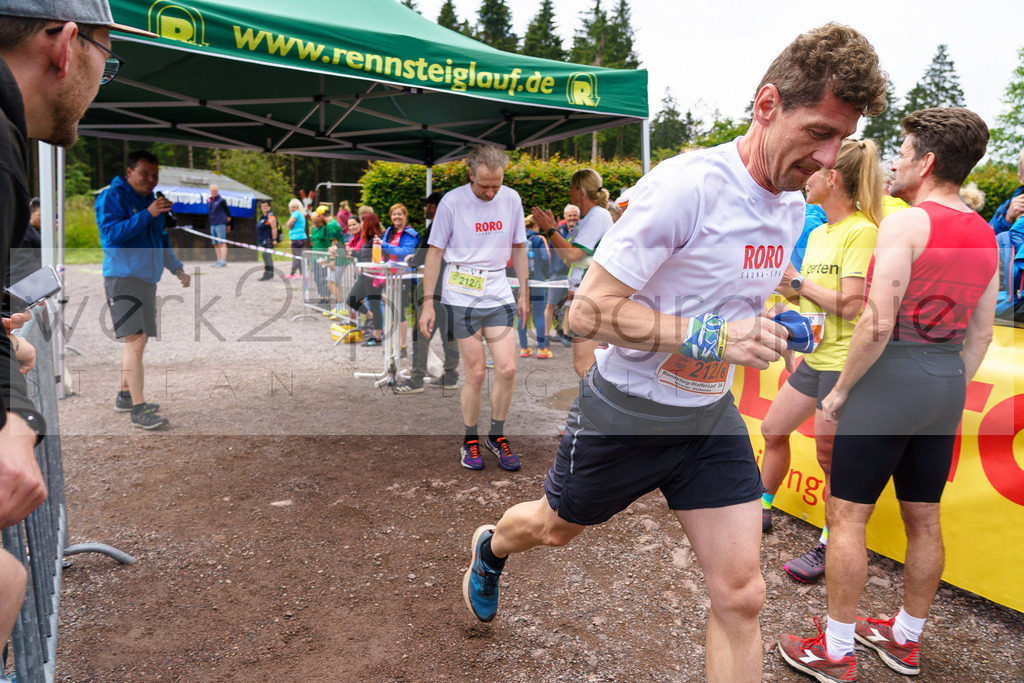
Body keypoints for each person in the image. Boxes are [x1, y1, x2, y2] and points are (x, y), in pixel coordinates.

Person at [461, 23, 886, 682]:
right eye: (818, 133)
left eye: (841, 139)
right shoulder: (687, 186)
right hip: (626, 411)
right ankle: (490, 547)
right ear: (767, 105)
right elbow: (587, 311)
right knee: (553, 527)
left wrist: (776, 325)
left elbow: (735, 288)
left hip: (708, 420)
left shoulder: (788, 205)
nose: (830, 158)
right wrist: (715, 336)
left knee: (742, 595)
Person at [778, 108, 997, 682]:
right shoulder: (983, 231)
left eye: (902, 151)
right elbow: (980, 334)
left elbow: (876, 322)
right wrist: (945, 383)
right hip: (946, 379)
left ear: (926, 162)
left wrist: (841, 392)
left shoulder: (907, 223)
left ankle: (837, 650)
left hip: (890, 376)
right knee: (924, 518)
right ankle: (904, 640)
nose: (894, 161)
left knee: (846, 515)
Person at [0, 0, 146, 645]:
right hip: (120, 274)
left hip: (143, 276)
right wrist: (14, 414)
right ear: (64, 44)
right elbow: (115, 232)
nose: (95, 86)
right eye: (104, 61)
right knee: (6, 582)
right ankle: (130, 398)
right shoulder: (7, 152)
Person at [759, 139, 884, 585]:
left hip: (844, 364)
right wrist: (786, 315)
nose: (804, 180)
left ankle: (829, 544)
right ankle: (763, 508)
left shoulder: (862, 230)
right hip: (815, 357)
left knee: (832, 461)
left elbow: (851, 305)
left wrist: (794, 280)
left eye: (812, 172)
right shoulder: (819, 232)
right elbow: (811, 299)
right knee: (773, 429)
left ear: (833, 179)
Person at [419, 145, 530, 472]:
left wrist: (523, 291)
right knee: (477, 373)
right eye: (484, 185)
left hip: (497, 291)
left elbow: (519, 246)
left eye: (496, 184)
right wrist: (428, 302)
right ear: (470, 174)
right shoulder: (452, 202)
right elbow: (434, 253)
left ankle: (496, 435)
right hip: (461, 294)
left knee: (508, 369)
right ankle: (470, 439)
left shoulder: (511, 199)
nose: (490, 191)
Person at [96, 150, 190, 430]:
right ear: (129, 172)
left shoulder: (152, 201)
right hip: (122, 278)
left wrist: (176, 268)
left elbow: (161, 240)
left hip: (147, 280)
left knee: (140, 340)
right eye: (144, 173)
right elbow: (111, 235)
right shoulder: (112, 197)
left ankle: (125, 397)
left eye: (155, 174)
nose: (151, 179)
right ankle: (138, 409)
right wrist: (148, 214)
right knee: (134, 341)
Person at [533, 169, 615, 378]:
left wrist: (550, 229)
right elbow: (565, 256)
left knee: (585, 366)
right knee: (586, 365)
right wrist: (551, 230)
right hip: (583, 293)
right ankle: (596, 407)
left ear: (580, 191)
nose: (568, 192)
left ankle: (597, 408)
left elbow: (572, 254)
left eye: (571, 187)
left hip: (591, 295)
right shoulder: (588, 218)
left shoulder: (597, 215)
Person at [395, 191, 460, 395]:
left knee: (421, 334)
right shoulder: (457, 226)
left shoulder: (436, 227)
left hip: (433, 288)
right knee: (449, 333)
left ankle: (416, 380)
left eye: (428, 205)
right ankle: (450, 376)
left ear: (436, 207)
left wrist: (410, 261)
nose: (425, 208)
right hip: (453, 286)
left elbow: (423, 255)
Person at [381, 203, 419, 359]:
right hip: (389, 274)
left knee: (399, 310)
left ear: (405, 216)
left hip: (404, 275)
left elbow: (406, 252)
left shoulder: (411, 233)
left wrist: (385, 245)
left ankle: (402, 346)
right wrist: (387, 246)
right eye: (394, 214)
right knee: (390, 307)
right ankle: (391, 342)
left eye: (399, 214)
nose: (396, 217)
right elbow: (384, 249)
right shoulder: (389, 231)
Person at [514, 214, 552, 359]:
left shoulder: (519, 240)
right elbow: (545, 258)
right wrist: (544, 274)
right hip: (537, 280)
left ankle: (524, 348)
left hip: (521, 280)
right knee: (538, 313)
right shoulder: (539, 239)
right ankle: (542, 349)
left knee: (522, 313)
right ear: (536, 226)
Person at [346, 212, 385, 346]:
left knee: (375, 305)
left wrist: (362, 262)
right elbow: (363, 254)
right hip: (364, 275)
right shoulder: (366, 238)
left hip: (373, 277)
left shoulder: (377, 237)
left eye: (362, 221)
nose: (361, 224)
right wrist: (351, 252)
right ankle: (371, 317)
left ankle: (377, 336)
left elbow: (377, 256)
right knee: (351, 299)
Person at [544, 204, 577, 348]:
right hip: (557, 273)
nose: (572, 218)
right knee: (551, 305)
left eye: (575, 215)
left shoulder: (582, 231)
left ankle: (566, 335)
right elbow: (553, 248)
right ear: (565, 217)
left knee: (570, 305)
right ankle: (545, 336)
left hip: (574, 274)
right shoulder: (558, 231)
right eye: (569, 215)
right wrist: (554, 231)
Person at [309, 205, 344, 306]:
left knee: (330, 282)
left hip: (331, 256)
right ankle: (337, 305)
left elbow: (335, 242)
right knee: (332, 282)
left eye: (317, 221)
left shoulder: (329, 226)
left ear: (321, 216)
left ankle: (338, 305)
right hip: (322, 256)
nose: (315, 224)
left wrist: (332, 259)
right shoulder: (331, 224)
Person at [6, 196, 41, 285]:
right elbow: (23, 266)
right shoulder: (24, 232)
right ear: (31, 214)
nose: (44, 219)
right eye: (39, 215)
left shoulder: (32, 230)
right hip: (22, 283)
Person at [207, 184, 231, 267]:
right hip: (213, 223)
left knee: (221, 242)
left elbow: (228, 214)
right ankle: (218, 259)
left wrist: (228, 225)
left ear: (217, 191)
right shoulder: (210, 200)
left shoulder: (221, 200)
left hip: (220, 223)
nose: (214, 192)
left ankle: (223, 260)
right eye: (212, 191)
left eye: (215, 191)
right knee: (215, 243)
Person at [284, 198, 306, 279]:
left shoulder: (296, 214)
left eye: (294, 207)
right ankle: (301, 273)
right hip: (302, 237)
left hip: (297, 238)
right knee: (299, 256)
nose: (292, 209)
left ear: (297, 207)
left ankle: (292, 274)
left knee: (296, 256)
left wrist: (289, 225)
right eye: (291, 207)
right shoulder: (301, 214)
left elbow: (289, 223)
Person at [255, 200, 277, 281]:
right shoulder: (263, 217)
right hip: (262, 240)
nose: (264, 207)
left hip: (268, 240)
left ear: (269, 207)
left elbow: (274, 228)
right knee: (265, 256)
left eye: (266, 206)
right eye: (262, 206)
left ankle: (269, 274)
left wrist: (274, 239)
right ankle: (268, 273)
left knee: (267, 256)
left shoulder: (270, 216)